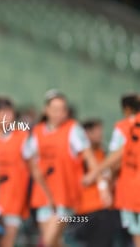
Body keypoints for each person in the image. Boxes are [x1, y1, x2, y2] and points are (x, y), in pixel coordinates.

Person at [23, 90, 110, 247]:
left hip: (65, 196)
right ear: (46, 110)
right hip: (43, 196)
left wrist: (102, 185)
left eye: (62, 110)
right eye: (55, 109)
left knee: (48, 241)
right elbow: (29, 160)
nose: (59, 114)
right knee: (55, 242)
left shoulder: (73, 129)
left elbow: (89, 157)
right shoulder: (37, 132)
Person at [83, 94, 140, 246]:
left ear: (126, 109)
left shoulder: (126, 127)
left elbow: (118, 157)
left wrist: (100, 177)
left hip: (127, 195)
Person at [0, 97, 30, 247]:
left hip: (12, 201)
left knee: (6, 243)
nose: (8, 116)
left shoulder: (22, 138)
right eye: (3, 112)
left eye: (10, 112)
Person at [70, 119, 116, 247]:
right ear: (86, 134)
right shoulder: (78, 157)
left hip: (102, 209)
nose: (100, 135)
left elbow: (109, 177)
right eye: (96, 132)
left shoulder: (103, 154)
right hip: (81, 213)